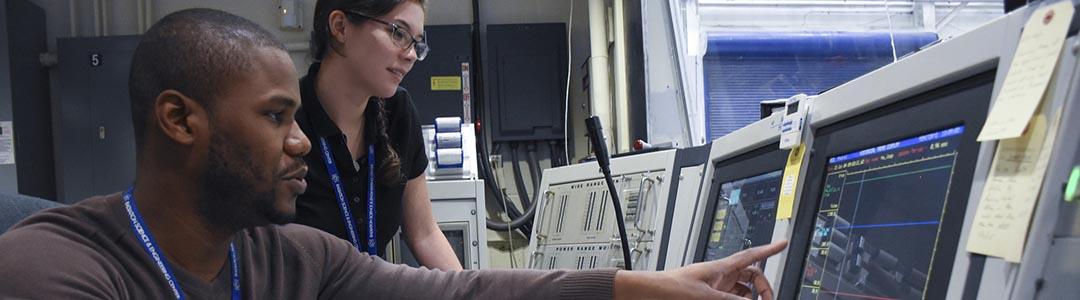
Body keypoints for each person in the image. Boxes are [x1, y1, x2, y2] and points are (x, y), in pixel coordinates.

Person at [0, 8, 786, 299]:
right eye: (277, 118)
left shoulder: (288, 258)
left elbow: (460, 286)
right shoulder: (49, 268)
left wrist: (641, 286)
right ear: (180, 120)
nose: (301, 139)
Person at [292, 0, 461, 270]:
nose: (411, 55)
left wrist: (471, 291)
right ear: (340, 26)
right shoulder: (286, 124)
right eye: (398, 33)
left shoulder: (398, 112)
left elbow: (425, 234)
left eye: (416, 43)